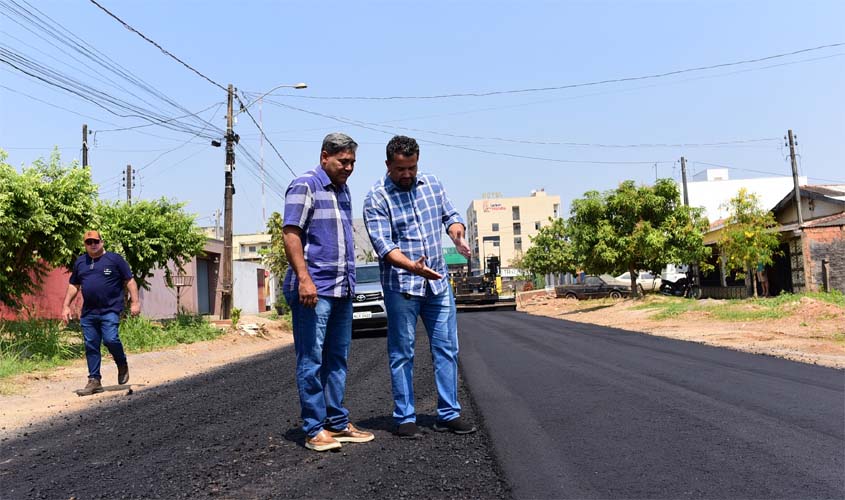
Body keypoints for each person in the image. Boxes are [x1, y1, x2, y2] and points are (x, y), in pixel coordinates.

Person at [363, 135, 477, 438]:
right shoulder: (376, 198)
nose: (407, 175)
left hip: (437, 285)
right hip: (402, 286)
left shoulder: (431, 183)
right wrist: (413, 267)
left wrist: (457, 234)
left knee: (447, 349)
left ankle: (448, 413)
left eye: (412, 167)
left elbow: (450, 216)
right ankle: (404, 417)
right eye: (401, 169)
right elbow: (384, 246)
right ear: (388, 165)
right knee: (402, 352)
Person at [282, 132, 375, 452]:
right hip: (314, 289)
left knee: (337, 358)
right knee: (311, 359)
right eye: (342, 161)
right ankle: (313, 428)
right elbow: (291, 234)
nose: (348, 167)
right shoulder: (305, 185)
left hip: (341, 288)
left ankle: (337, 422)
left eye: (352, 162)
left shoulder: (343, 191)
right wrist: (305, 279)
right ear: (325, 157)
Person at [61, 230, 140, 396]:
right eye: (89, 242)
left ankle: (121, 363)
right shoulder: (81, 262)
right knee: (91, 344)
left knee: (111, 339)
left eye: (95, 241)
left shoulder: (114, 259)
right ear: (85, 245)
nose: (93, 245)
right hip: (89, 312)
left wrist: (135, 302)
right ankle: (94, 380)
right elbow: (74, 285)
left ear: (101, 242)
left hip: (110, 309)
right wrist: (66, 306)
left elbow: (130, 280)